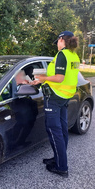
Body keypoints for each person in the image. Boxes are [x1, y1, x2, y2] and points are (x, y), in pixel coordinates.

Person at [31, 31, 80, 177]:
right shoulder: (74, 55)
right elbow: (67, 77)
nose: (56, 45)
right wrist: (44, 80)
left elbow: (59, 78)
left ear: (61, 40)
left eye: (57, 41)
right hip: (65, 96)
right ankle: (58, 158)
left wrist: (42, 78)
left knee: (54, 130)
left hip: (55, 97)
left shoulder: (62, 55)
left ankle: (61, 167)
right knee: (62, 129)